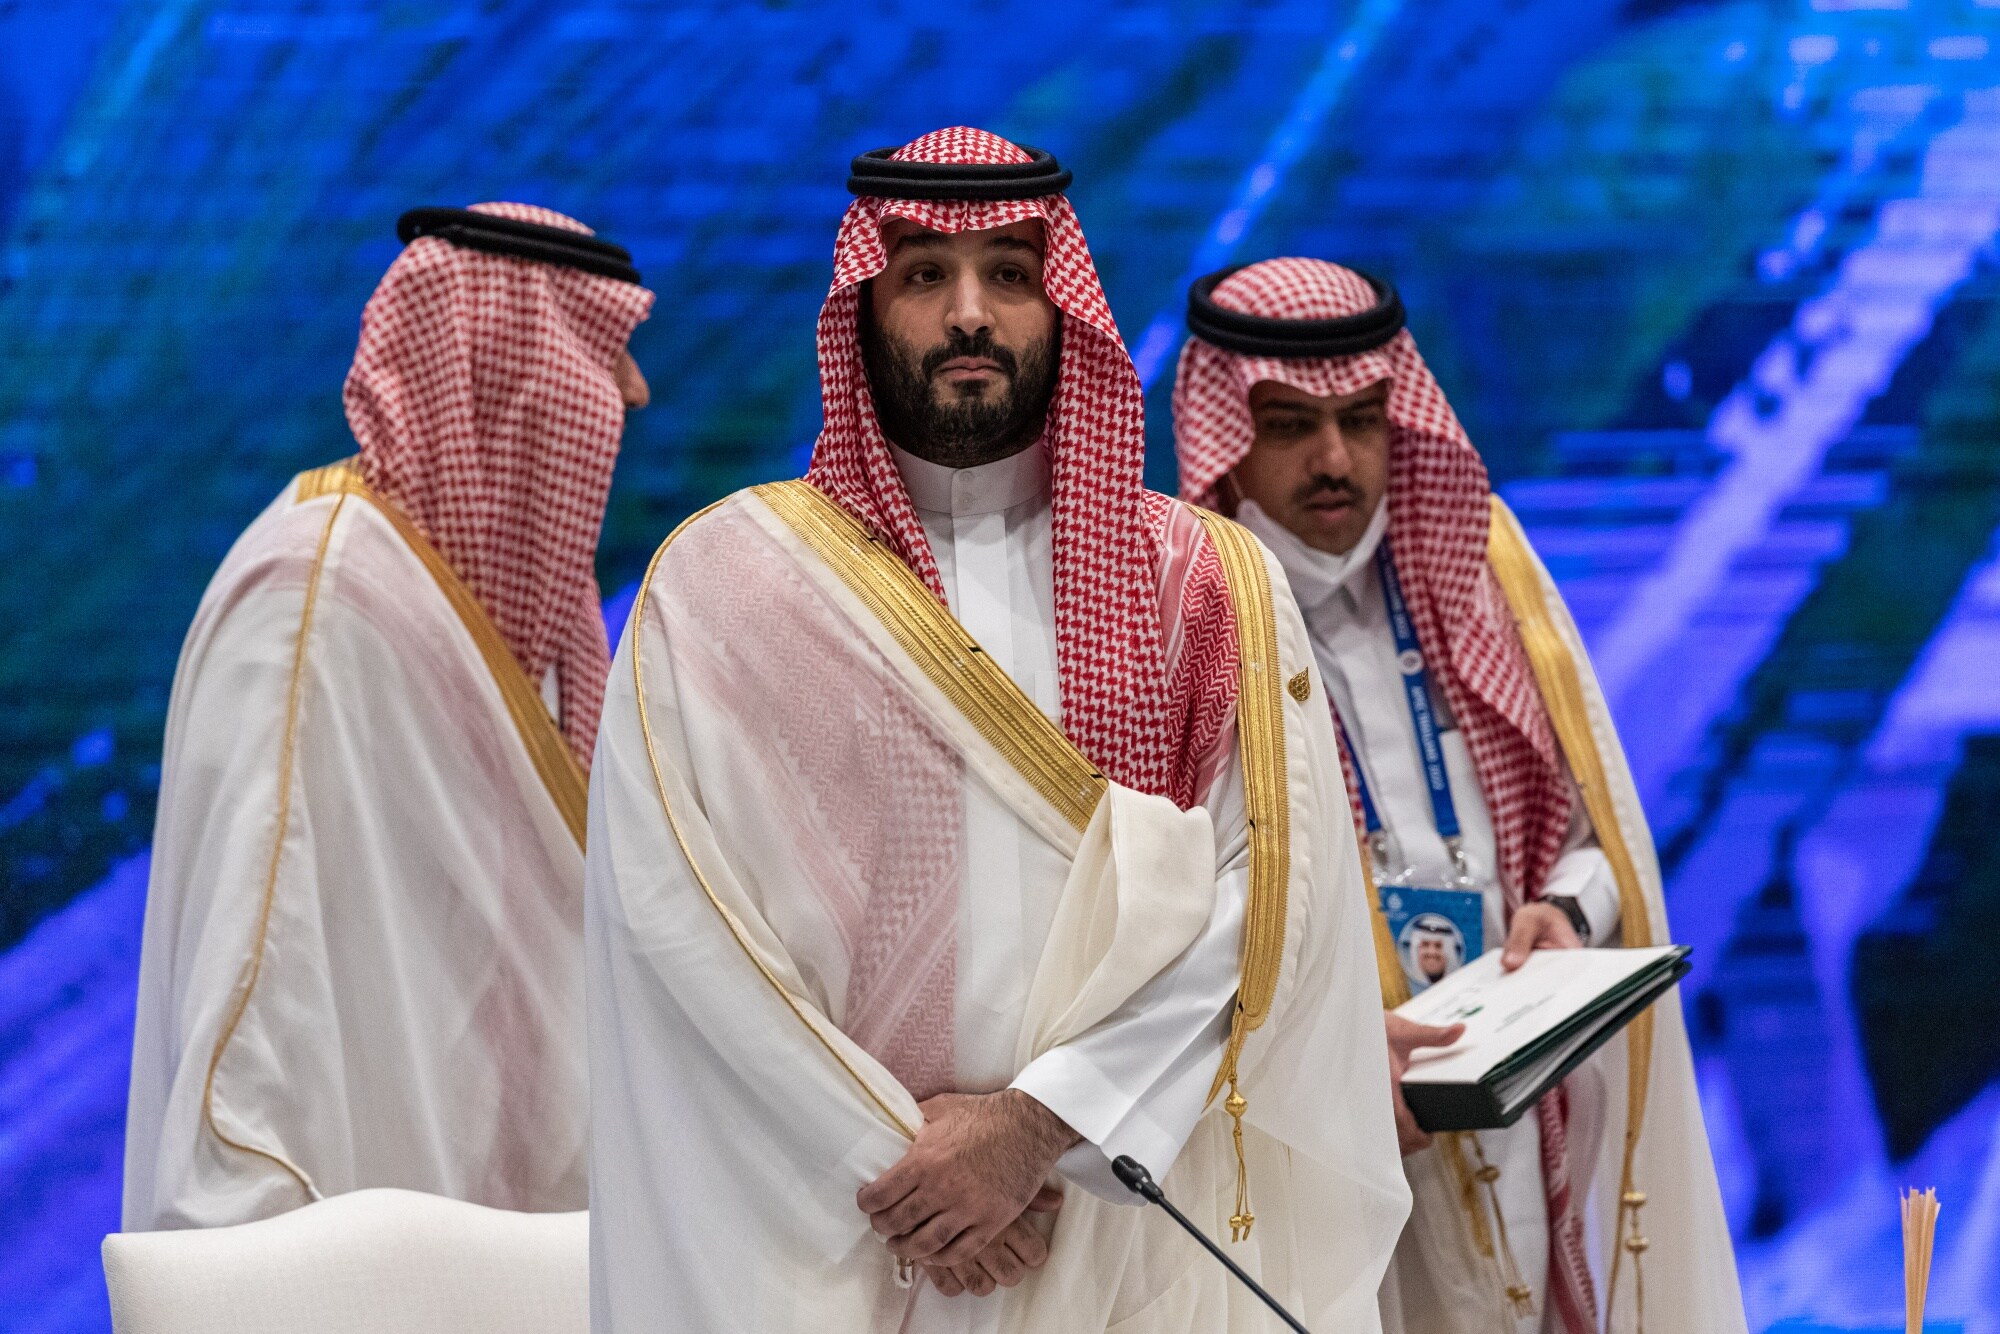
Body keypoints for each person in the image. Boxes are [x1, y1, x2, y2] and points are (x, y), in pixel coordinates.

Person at [586, 129, 1408, 1333]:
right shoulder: (727, 587)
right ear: (863, 307)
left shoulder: (1203, 584)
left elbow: (1268, 898)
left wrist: (1032, 1129)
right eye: (925, 274)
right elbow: (678, 928)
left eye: (1010, 275)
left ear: (1061, 303)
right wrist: (914, 1174)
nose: (969, 313)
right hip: (840, 1234)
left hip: (1130, 1226)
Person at [1172, 258, 1745, 1334]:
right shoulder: (1177, 628)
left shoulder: (1485, 577)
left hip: (1525, 1115)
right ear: (1225, 435)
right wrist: (1327, 1047)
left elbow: (1597, 837)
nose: (1334, 459)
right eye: (1291, 425)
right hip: (1327, 1156)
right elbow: (1165, 942)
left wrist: (1565, 912)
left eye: (1361, 419)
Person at [124, 204, 654, 1230]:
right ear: (515, 376)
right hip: (335, 1247)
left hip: (504, 1243)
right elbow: (252, 1000)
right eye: (604, 349)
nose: (635, 389)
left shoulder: (527, 622)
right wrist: (254, 1256)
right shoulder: (316, 605)